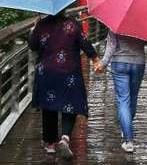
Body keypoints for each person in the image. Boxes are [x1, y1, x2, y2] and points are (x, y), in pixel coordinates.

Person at [28, 9, 101, 156]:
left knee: (49, 106)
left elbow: (33, 45)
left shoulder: (41, 25)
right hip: (69, 70)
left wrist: (35, 27)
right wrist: (95, 59)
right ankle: (65, 137)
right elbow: (85, 43)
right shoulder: (72, 24)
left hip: (47, 71)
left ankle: (50, 144)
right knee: (70, 103)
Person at [96, 29, 146, 153]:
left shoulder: (116, 24)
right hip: (138, 63)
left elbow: (111, 45)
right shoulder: (143, 22)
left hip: (119, 63)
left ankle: (128, 140)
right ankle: (126, 128)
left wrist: (103, 63)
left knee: (123, 100)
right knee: (133, 98)